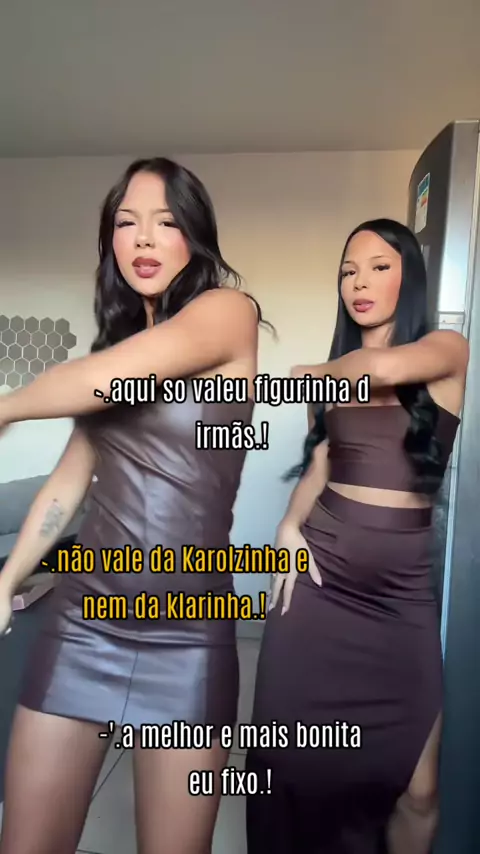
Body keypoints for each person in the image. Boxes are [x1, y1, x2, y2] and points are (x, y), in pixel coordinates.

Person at [0, 157, 265, 854]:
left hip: (189, 636)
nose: (144, 238)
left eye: (165, 222)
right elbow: (67, 485)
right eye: (126, 223)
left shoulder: (229, 313)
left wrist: (7, 407)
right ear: (110, 240)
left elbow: (114, 375)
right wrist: (7, 578)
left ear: (194, 237)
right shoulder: (112, 352)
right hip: (83, 625)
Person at [245, 218, 469, 854]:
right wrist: (288, 525)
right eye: (348, 271)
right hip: (320, 585)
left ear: (409, 278)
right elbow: (321, 463)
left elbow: (382, 366)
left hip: (401, 598)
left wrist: (305, 372)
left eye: (378, 267)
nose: (359, 283)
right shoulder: (331, 378)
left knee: (418, 790)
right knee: (288, 766)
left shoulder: (446, 349)